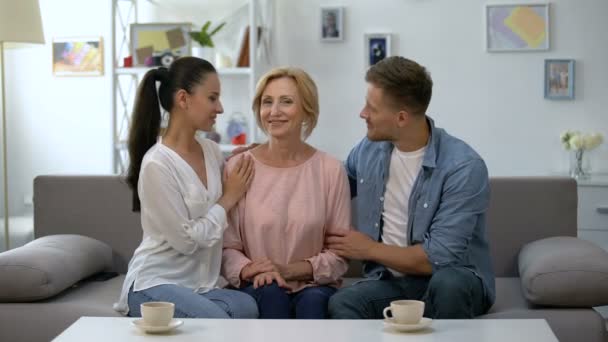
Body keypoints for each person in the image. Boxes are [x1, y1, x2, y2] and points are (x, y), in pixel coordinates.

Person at [327, 56, 495, 319]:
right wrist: (272, 156)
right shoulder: (367, 150)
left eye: (372, 108)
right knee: (343, 302)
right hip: (390, 282)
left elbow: (437, 259)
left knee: (448, 285)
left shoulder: (464, 167)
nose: (363, 113)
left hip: (452, 279)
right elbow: (328, 188)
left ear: (401, 118)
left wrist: (368, 249)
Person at [113, 57, 258, 319]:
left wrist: (251, 157)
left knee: (247, 307)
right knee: (218, 322)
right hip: (154, 283)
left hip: (199, 287)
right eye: (213, 98)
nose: (220, 108)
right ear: (183, 99)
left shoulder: (212, 151)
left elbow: (230, 189)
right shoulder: (157, 164)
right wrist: (228, 198)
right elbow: (187, 242)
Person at [221, 67, 352, 319]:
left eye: (287, 102)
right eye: (267, 102)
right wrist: (251, 269)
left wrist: (288, 270)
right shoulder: (238, 167)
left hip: (314, 285)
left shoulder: (330, 169)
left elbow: (339, 253)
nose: (274, 111)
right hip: (257, 285)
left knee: (313, 302)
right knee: (271, 294)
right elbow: (226, 247)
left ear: (307, 110)